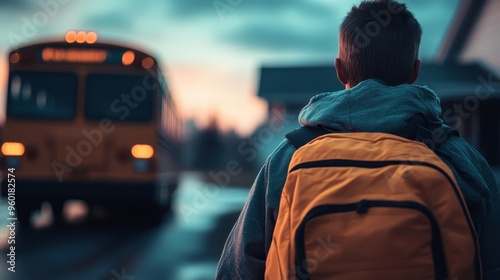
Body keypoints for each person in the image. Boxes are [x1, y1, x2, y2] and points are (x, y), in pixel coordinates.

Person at [215, 0, 500, 279]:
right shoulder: (459, 157)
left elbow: (238, 267)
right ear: (415, 71)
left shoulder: (289, 156)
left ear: (339, 70)